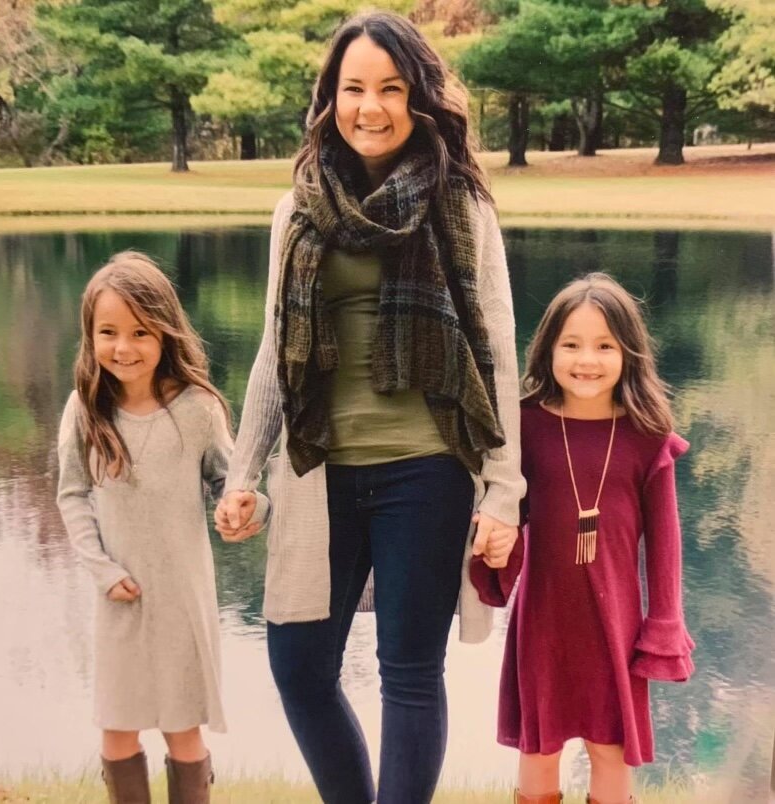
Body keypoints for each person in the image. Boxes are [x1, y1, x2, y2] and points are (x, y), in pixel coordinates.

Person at [213, 11, 524, 804]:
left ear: (419, 99)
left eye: (391, 88)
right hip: (317, 471)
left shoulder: (460, 204)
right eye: (354, 88)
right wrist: (243, 470)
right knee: (299, 667)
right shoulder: (298, 208)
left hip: (429, 468)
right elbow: (271, 352)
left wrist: (503, 490)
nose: (371, 106)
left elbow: (495, 346)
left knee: (410, 673)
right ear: (330, 98)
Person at [471, 273, 695, 804]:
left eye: (604, 346)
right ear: (547, 348)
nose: (586, 360)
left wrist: (663, 625)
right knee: (539, 748)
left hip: (616, 624)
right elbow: (508, 518)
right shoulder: (523, 426)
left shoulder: (648, 436)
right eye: (570, 345)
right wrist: (500, 551)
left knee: (610, 747)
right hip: (543, 620)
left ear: (629, 353)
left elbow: (665, 545)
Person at [56, 251, 268, 804]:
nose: (122, 348)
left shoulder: (198, 408)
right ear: (90, 335)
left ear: (166, 333)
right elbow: (72, 495)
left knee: (183, 727)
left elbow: (236, 482)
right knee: (118, 727)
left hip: (181, 595)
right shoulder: (85, 410)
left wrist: (244, 508)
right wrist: (101, 570)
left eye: (139, 333)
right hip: (118, 596)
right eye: (108, 332)